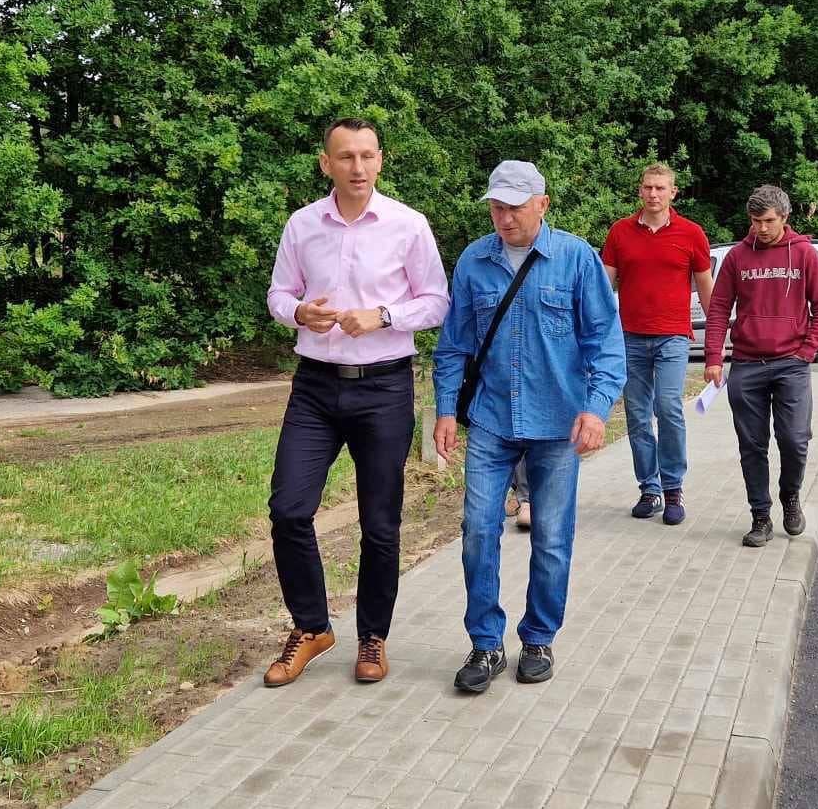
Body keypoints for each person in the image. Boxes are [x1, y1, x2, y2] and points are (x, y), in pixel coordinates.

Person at [261, 118, 451, 688]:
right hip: (316, 385)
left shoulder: (407, 225)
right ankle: (312, 627)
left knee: (380, 523)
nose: (358, 167)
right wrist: (298, 312)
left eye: (367, 156)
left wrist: (385, 316)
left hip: (385, 386)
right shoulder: (302, 225)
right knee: (289, 508)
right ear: (326, 164)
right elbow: (278, 292)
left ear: (381, 160)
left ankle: (373, 634)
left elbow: (438, 301)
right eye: (346, 157)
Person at [434, 161, 625, 694]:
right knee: (477, 531)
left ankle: (538, 637)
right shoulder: (474, 261)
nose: (504, 217)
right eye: (496, 207)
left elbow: (606, 343)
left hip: (557, 424)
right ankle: (486, 643)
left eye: (515, 206)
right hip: (492, 421)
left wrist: (597, 406)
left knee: (552, 537)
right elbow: (453, 346)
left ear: (542, 203)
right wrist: (446, 410)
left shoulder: (577, 259)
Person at [703, 186, 818, 548]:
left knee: (794, 440)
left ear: (784, 218)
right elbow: (718, 309)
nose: (761, 228)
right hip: (746, 364)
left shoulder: (805, 254)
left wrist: (808, 351)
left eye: (768, 221)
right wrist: (714, 356)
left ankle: (790, 497)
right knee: (752, 444)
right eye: (755, 221)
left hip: (791, 364)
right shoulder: (736, 258)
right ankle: (760, 515)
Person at [600, 162, 714, 526]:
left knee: (668, 407)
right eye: (648, 187)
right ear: (640, 190)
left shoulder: (691, 233)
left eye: (660, 188)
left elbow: (707, 285)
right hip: (630, 337)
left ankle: (673, 487)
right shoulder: (620, 232)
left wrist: (718, 337)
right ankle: (648, 488)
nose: (653, 194)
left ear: (673, 193)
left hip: (673, 337)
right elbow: (604, 289)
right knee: (636, 415)